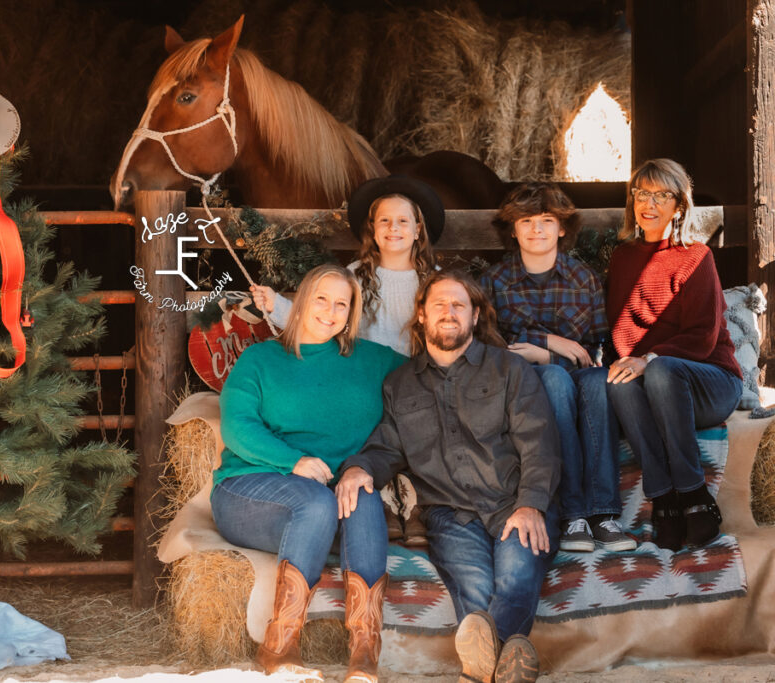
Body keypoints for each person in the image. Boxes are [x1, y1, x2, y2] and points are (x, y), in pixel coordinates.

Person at [338, 270, 561, 683]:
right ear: (421, 315)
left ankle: (479, 674)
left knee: (515, 578)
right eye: (439, 303)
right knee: (474, 589)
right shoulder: (400, 384)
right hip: (449, 514)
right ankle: (506, 670)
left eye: (459, 304)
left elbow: (539, 442)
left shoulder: (510, 369)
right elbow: (388, 446)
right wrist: (357, 468)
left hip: (514, 502)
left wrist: (531, 504)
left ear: (476, 316)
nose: (449, 312)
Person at [213, 263, 404, 683]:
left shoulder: (374, 361)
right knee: (316, 501)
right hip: (249, 490)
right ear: (300, 301)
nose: (331, 311)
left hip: (329, 500)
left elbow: (435, 377)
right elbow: (237, 427)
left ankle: (364, 652)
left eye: (342, 303)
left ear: (352, 313)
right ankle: (278, 647)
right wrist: (293, 462)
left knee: (365, 496)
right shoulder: (261, 359)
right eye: (321, 298)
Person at [480, 183, 634, 553]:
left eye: (547, 220)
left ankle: (604, 514)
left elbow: (596, 352)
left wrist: (548, 351)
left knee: (599, 381)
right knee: (554, 380)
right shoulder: (493, 282)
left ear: (562, 228)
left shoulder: (585, 281)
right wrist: (550, 344)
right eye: (527, 221)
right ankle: (573, 514)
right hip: (521, 385)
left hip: (577, 375)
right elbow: (492, 348)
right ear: (512, 228)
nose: (537, 229)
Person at [605, 158, 742, 552]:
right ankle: (663, 500)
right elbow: (622, 330)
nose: (648, 203)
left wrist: (647, 360)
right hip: (657, 385)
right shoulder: (623, 257)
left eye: (660, 195)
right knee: (617, 383)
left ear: (679, 205)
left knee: (661, 369)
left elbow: (702, 337)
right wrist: (620, 360)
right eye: (641, 193)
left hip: (710, 382)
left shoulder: (697, 256)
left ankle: (695, 495)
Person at [252, 175, 445, 355]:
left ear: (417, 229)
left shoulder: (435, 281)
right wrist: (276, 304)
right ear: (372, 229)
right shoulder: (355, 275)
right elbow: (323, 320)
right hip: (363, 372)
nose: (393, 227)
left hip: (414, 379)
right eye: (384, 220)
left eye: (403, 221)